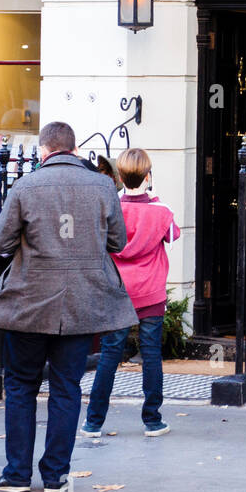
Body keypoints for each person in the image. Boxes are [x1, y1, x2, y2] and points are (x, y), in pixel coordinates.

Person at [0, 122, 135, 492]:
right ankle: (55, 476)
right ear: (74, 149)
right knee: (66, 388)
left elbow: (1, 240)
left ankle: (16, 474)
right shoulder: (102, 185)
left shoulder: (26, 185)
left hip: (29, 302)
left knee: (19, 385)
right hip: (82, 302)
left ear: (44, 151)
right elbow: (118, 242)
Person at [83, 148, 180, 439]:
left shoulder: (110, 208)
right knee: (151, 355)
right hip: (150, 292)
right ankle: (152, 420)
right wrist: (154, 197)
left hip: (117, 292)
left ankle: (93, 422)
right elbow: (173, 236)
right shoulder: (161, 211)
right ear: (148, 176)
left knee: (110, 354)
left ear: (119, 176)